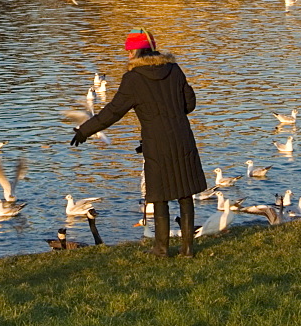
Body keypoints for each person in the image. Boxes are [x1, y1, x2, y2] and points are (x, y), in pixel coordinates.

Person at [70, 29, 206, 257]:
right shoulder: (174, 69)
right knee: (185, 192)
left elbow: (113, 112)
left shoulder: (133, 79)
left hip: (156, 142)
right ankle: (188, 249)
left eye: (130, 51)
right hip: (183, 137)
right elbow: (190, 104)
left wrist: (85, 130)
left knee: (159, 194)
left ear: (139, 51)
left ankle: (161, 249)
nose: (128, 56)